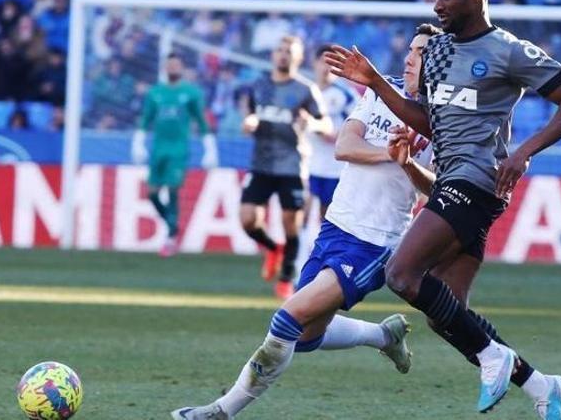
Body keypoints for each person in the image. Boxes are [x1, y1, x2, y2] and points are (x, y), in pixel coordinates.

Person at [325, 0, 561, 417]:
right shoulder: (442, 51)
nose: (438, 3)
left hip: (478, 181)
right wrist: (373, 82)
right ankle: (541, 386)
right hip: (454, 182)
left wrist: (524, 150)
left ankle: (493, 357)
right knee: (445, 312)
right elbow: (427, 118)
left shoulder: (509, 50)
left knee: (402, 276)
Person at [171, 24, 438, 420]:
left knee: (287, 319)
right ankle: (384, 335)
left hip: (375, 242)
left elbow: (435, 191)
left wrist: (408, 162)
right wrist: (390, 153)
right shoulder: (385, 92)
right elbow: (345, 146)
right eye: (411, 49)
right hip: (336, 227)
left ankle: (219, 411)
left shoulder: (445, 118)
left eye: (421, 52)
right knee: (309, 337)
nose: (409, 56)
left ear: (441, 61)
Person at [239, 35, 330, 299]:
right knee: (247, 220)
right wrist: (249, 122)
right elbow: (251, 113)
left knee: (291, 223)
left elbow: (326, 125)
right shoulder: (258, 85)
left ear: (298, 58)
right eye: (279, 50)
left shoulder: (305, 90)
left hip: (292, 165)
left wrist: (310, 125)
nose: (283, 55)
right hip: (261, 163)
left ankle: (286, 276)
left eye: (289, 51)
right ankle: (273, 248)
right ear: (272, 55)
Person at [131, 53, 218, 257]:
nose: (172, 68)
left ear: (182, 68)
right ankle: (172, 225)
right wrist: (138, 143)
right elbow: (145, 119)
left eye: (176, 65)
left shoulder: (191, 93)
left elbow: (202, 121)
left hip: (178, 150)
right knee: (152, 193)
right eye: (169, 65)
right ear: (164, 67)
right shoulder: (155, 93)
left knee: (172, 190)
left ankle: (170, 237)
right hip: (158, 149)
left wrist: (210, 149)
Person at [306, 44, 357, 220]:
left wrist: (331, 135)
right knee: (301, 210)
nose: (327, 67)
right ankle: (300, 246)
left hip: (335, 167)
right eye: (323, 61)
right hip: (308, 163)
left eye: (333, 62)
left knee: (327, 216)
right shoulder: (306, 91)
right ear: (314, 63)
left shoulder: (347, 95)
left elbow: (358, 128)